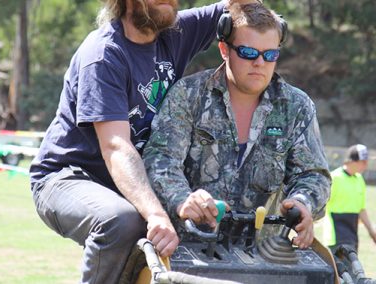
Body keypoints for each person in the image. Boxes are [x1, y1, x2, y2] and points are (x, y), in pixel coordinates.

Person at [29, 0, 259, 283]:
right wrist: (155, 214)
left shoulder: (177, 32)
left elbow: (242, 4)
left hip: (128, 180)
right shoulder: (104, 55)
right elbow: (116, 147)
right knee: (122, 221)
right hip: (67, 178)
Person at [143, 1, 331, 249]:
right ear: (224, 49)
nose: (259, 63)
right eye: (249, 53)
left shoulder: (296, 106)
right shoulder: (188, 95)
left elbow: (313, 175)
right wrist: (182, 199)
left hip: (266, 256)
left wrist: (303, 203)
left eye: (270, 55)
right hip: (189, 248)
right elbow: (160, 160)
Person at [323, 144, 376, 253]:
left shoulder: (359, 179)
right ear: (352, 160)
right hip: (335, 237)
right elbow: (321, 205)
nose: (366, 165)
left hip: (352, 236)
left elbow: (361, 209)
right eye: (363, 162)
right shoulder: (334, 178)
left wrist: (372, 232)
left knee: (352, 269)